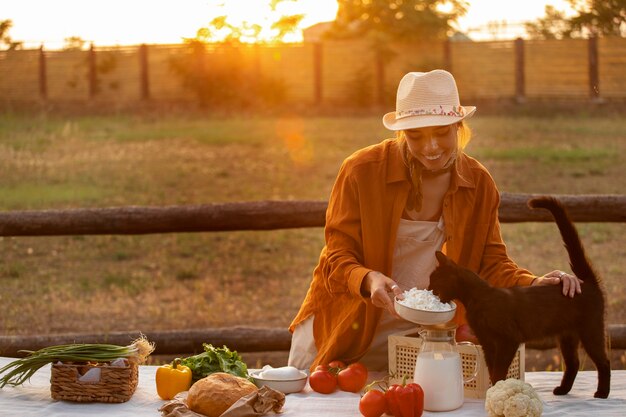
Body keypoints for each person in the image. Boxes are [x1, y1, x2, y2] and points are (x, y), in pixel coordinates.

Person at [287, 69, 582, 372]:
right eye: (416, 135)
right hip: (345, 324)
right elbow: (337, 255)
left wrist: (535, 283)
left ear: (458, 126)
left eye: (441, 132)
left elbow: (491, 263)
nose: (430, 147)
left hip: (415, 337)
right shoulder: (361, 171)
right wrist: (368, 279)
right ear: (401, 133)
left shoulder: (478, 183)